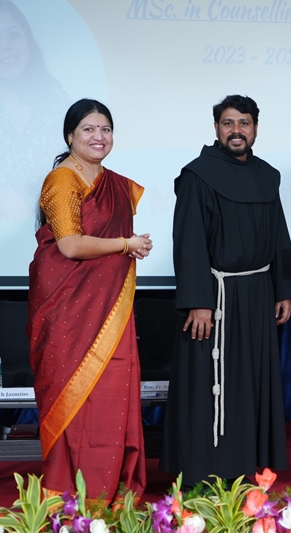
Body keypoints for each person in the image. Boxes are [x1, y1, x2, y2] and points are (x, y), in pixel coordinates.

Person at [161, 94, 291, 487]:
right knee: (212, 386)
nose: (236, 130)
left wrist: (283, 288)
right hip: (216, 298)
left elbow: (278, 234)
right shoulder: (198, 175)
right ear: (216, 128)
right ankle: (205, 473)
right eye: (228, 123)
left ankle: (246, 467)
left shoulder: (267, 175)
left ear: (255, 128)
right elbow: (188, 242)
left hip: (258, 294)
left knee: (250, 383)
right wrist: (199, 302)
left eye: (244, 123)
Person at [27, 98, 153, 500]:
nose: (99, 137)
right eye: (88, 129)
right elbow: (69, 245)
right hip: (68, 313)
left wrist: (128, 246)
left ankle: (111, 492)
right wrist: (125, 243)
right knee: (75, 400)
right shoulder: (62, 179)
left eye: (106, 129)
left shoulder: (116, 184)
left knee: (111, 396)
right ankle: (70, 495)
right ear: (70, 136)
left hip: (109, 310)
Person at [0, 0, 70, 221]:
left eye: (13, 34)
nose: (5, 46)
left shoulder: (57, 100)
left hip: (52, 231)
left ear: (28, 40)